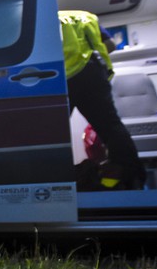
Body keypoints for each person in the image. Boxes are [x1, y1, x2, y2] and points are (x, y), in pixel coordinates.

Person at [60, 10, 146, 190]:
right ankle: (132, 176)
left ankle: (55, 179)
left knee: (53, 132)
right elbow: (110, 45)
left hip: (62, 78)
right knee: (109, 125)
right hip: (92, 72)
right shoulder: (84, 16)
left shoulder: (46, 20)